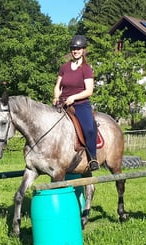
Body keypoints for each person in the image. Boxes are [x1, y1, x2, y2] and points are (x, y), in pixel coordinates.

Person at [53, 35, 99, 171]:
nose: (75, 51)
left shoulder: (86, 69)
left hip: (80, 104)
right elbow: (58, 86)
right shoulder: (64, 67)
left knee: (89, 129)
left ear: (84, 50)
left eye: (78, 48)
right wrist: (56, 97)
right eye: (73, 48)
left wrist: (73, 97)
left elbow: (89, 90)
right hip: (62, 104)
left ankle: (93, 158)